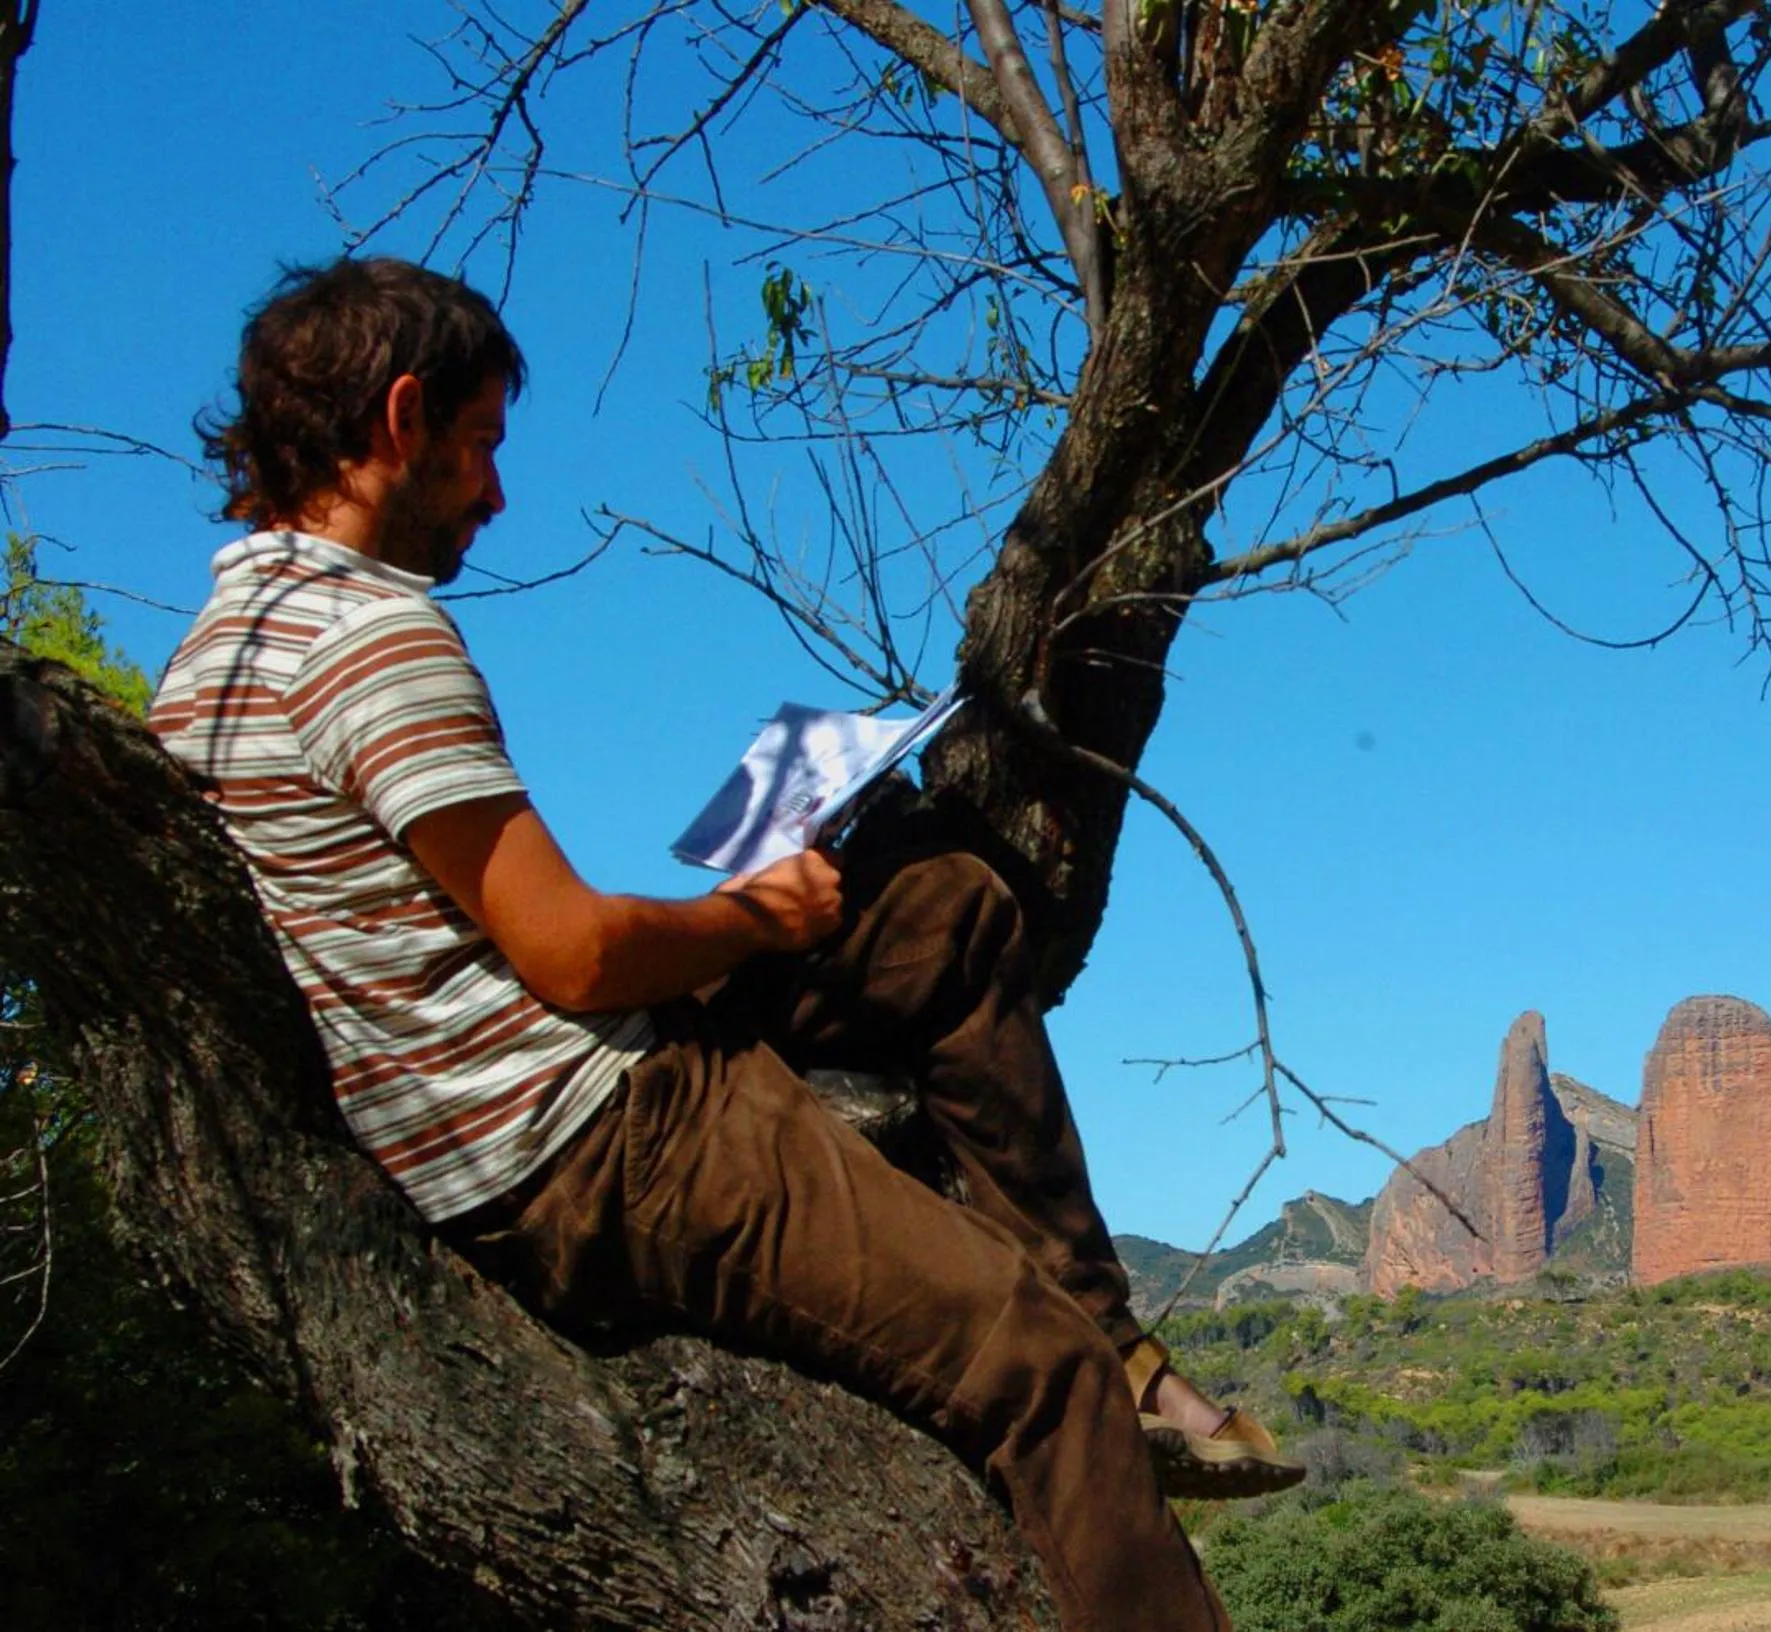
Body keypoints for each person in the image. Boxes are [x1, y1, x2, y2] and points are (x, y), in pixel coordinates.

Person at [151, 256, 1299, 1632]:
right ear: (399, 418)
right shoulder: (374, 639)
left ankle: (1118, 1335)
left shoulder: (213, 661)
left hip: (547, 1084)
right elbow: (569, 955)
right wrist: (758, 913)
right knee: (1028, 1367)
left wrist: (755, 918)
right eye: (476, 449)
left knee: (941, 904)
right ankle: (1090, 1363)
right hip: (594, 1139)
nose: (493, 495)